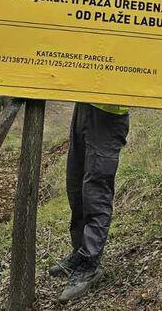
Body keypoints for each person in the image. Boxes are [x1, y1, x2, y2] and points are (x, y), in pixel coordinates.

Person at [48, 102, 129, 302]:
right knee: (76, 187)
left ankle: (89, 265)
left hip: (109, 113)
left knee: (96, 192)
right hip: (84, 105)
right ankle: (80, 252)